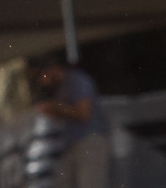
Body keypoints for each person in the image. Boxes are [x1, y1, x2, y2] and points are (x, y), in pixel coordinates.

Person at [33, 57, 109, 188]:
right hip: (72, 145)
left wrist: (56, 109)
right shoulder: (60, 89)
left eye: (43, 75)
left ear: (53, 69)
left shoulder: (76, 80)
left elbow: (83, 113)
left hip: (90, 141)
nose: (43, 81)